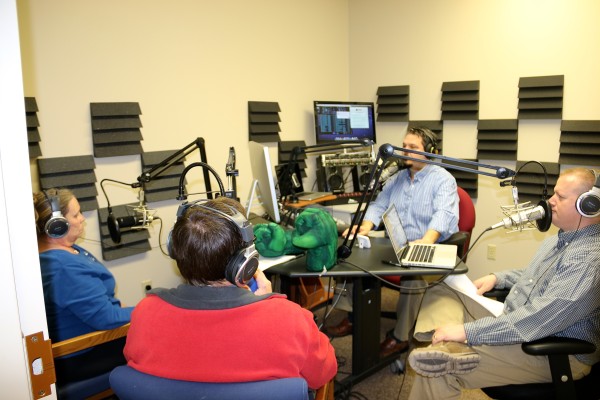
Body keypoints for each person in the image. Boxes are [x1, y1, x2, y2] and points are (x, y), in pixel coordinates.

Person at [406, 167, 600, 400]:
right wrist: (498, 278)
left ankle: (449, 348)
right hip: (516, 322)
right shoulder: (560, 240)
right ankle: (445, 343)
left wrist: (468, 331)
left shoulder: (588, 257)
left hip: (553, 351)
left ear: (589, 205)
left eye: (560, 196)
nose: (550, 201)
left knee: (437, 370)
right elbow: (533, 274)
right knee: (441, 287)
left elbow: (541, 318)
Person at [124, 197, 337, 390]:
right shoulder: (289, 319)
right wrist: (268, 306)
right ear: (245, 263)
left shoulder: (145, 313)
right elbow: (323, 373)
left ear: (175, 250)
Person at [327, 127, 459, 358]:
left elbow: (444, 215)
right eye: (404, 146)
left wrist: (426, 241)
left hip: (426, 246)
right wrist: (365, 227)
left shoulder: (443, 180)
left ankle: (400, 336)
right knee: (350, 252)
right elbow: (379, 205)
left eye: (413, 148)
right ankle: (353, 316)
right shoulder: (396, 178)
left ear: (429, 151)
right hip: (394, 243)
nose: (404, 151)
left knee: (413, 277)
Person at [33, 188, 133, 385]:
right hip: (83, 354)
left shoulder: (67, 250)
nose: (82, 219)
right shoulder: (63, 267)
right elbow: (107, 319)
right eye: (76, 214)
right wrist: (149, 310)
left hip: (95, 339)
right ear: (57, 225)